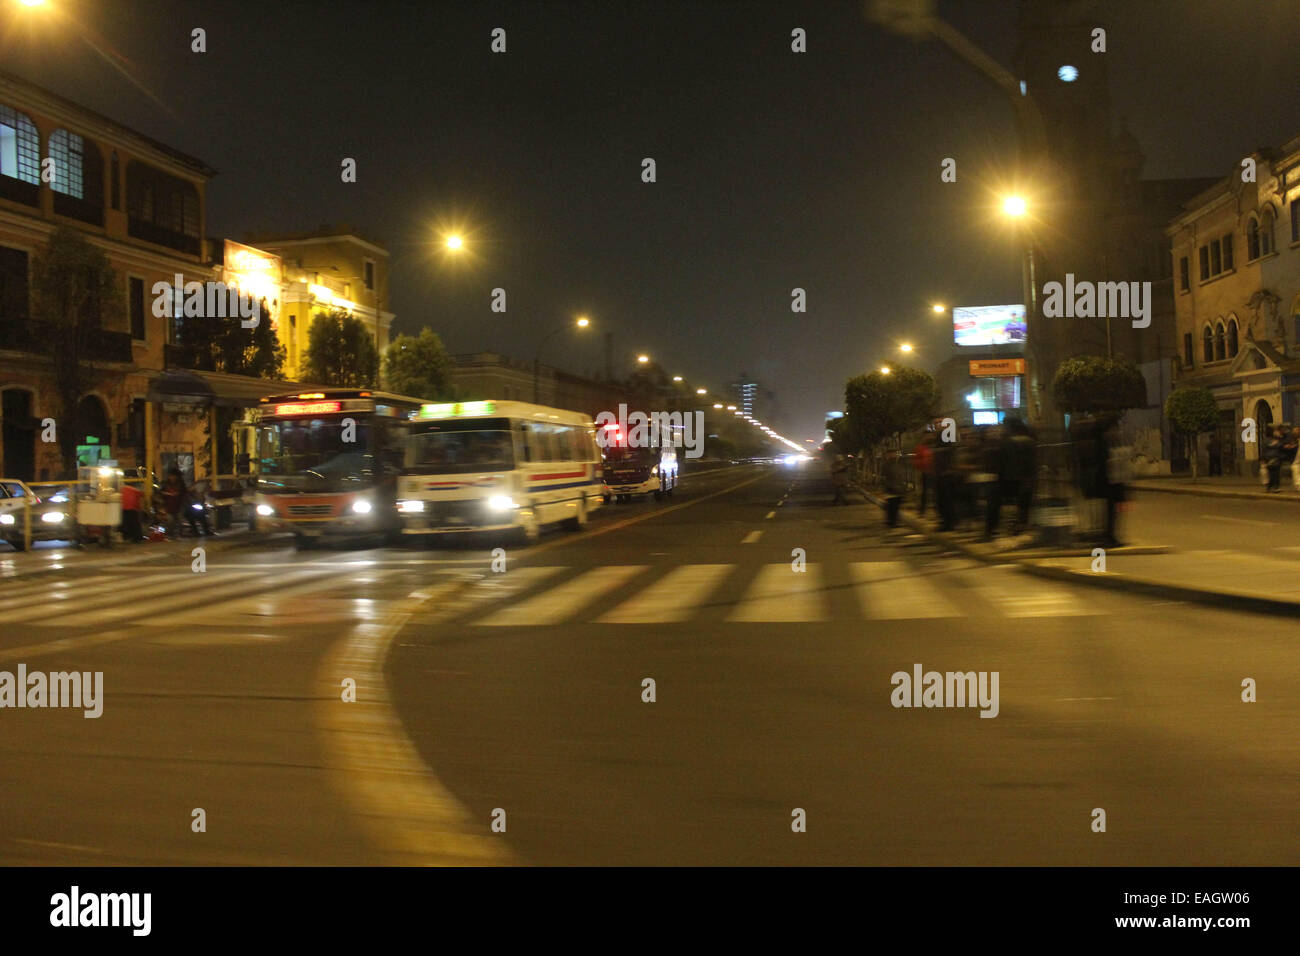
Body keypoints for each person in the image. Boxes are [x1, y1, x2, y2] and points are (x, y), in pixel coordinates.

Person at [913, 432, 935, 516]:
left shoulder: (933, 446)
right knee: (924, 492)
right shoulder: (920, 447)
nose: (929, 437)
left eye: (930, 436)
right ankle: (922, 510)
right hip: (924, 472)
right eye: (927, 436)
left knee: (934, 492)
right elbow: (916, 460)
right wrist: (921, 467)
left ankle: (932, 510)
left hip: (933, 472)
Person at [883, 450, 905, 528]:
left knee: (895, 505)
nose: (895, 455)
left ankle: (892, 521)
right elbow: (887, 476)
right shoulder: (888, 464)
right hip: (891, 488)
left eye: (895, 454)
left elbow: (899, 475)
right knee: (892, 505)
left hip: (896, 487)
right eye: (892, 454)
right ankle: (891, 521)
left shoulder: (897, 464)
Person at [1262, 427, 1284, 492]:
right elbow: (1280, 445)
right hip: (1274, 458)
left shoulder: (1266, 440)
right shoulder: (1274, 440)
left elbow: (1264, 449)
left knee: (1272, 473)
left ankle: (1270, 487)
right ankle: (1275, 487)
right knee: (1275, 473)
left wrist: (1263, 459)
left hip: (1270, 458)